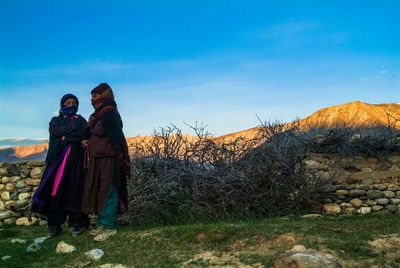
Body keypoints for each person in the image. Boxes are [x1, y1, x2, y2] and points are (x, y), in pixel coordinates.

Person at [31, 94, 88, 237]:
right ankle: (54, 225)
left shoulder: (81, 120)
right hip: (58, 164)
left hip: (77, 163)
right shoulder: (55, 121)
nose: (71, 105)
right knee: (56, 190)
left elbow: (86, 132)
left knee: (76, 190)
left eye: (74, 103)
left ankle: (78, 223)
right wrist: (76, 135)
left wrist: (67, 138)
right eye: (68, 102)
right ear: (62, 104)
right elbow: (56, 132)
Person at [82, 83, 130, 242]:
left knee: (109, 190)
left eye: (95, 96)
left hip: (109, 159)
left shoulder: (110, 115)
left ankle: (109, 227)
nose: (92, 99)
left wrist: (122, 159)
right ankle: (102, 223)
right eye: (92, 96)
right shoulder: (98, 115)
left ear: (104, 96)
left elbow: (115, 138)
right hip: (97, 158)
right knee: (99, 190)